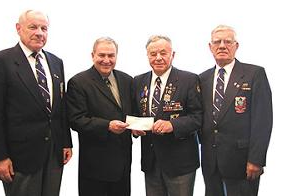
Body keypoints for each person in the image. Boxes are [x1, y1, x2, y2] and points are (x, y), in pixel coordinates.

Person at [0, 10, 72, 196]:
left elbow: (60, 107)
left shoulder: (56, 62)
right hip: (20, 157)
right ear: (18, 29)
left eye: (44, 28)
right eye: (33, 27)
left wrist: (66, 142)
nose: (39, 32)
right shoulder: (1, 61)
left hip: (54, 154)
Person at [199, 25, 273, 196]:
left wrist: (256, 159)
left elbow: (263, 121)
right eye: (217, 42)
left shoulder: (254, 74)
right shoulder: (203, 78)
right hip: (211, 162)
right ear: (210, 47)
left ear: (236, 46)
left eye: (228, 41)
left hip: (242, 162)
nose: (222, 46)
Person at [132, 35, 202, 196]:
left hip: (180, 163)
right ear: (147, 55)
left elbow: (198, 118)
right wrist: (134, 129)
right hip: (151, 161)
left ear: (173, 55)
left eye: (163, 53)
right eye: (153, 53)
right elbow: (136, 114)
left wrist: (173, 125)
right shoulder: (138, 81)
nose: (158, 58)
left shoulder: (189, 79)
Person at [67, 37, 132, 196]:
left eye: (111, 55)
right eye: (101, 55)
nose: (106, 60)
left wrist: (136, 128)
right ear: (92, 55)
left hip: (123, 164)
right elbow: (76, 120)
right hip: (95, 165)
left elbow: (132, 114)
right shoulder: (78, 82)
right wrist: (107, 126)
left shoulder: (127, 80)